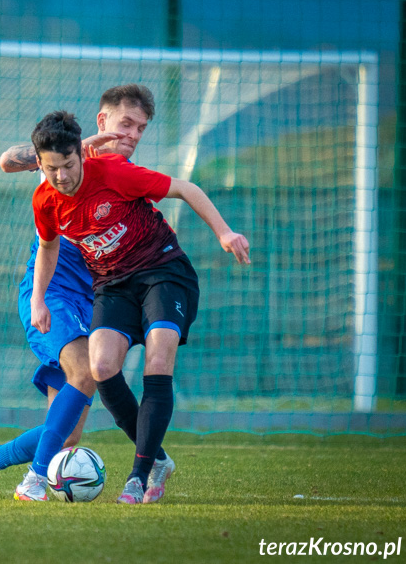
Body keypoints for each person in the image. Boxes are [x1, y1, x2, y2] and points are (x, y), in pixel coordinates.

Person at [0, 85, 173, 502]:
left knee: (67, 436)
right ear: (103, 122)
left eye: (142, 127)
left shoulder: (122, 180)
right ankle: (32, 482)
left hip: (92, 303)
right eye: (126, 123)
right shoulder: (65, 162)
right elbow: (5, 160)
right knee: (86, 374)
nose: (133, 134)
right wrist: (74, 151)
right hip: (51, 296)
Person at [30, 110, 249, 504]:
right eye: (51, 169)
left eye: (67, 166)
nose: (61, 177)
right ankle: (160, 461)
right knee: (101, 367)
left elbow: (185, 188)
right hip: (113, 284)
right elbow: (48, 246)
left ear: (80, 155)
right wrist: (38, 299)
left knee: (158, 360)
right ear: (40, 165)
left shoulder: (114, 172)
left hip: (162, 270)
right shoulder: (45, 199)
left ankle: (138, 475)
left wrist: (225, 232)